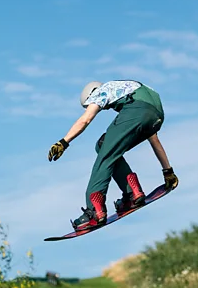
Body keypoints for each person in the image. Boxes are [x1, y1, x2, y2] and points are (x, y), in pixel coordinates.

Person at [48, 80, 179, 231]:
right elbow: (154, 140)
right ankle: (133, 194)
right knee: (105, 146)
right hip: (156, 115)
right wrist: (168, 171)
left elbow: (85, 120)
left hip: (135, 111)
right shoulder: (128, 88)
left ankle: (94, 211)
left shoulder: (101, 91)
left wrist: (63, 142)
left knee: (105, 156)